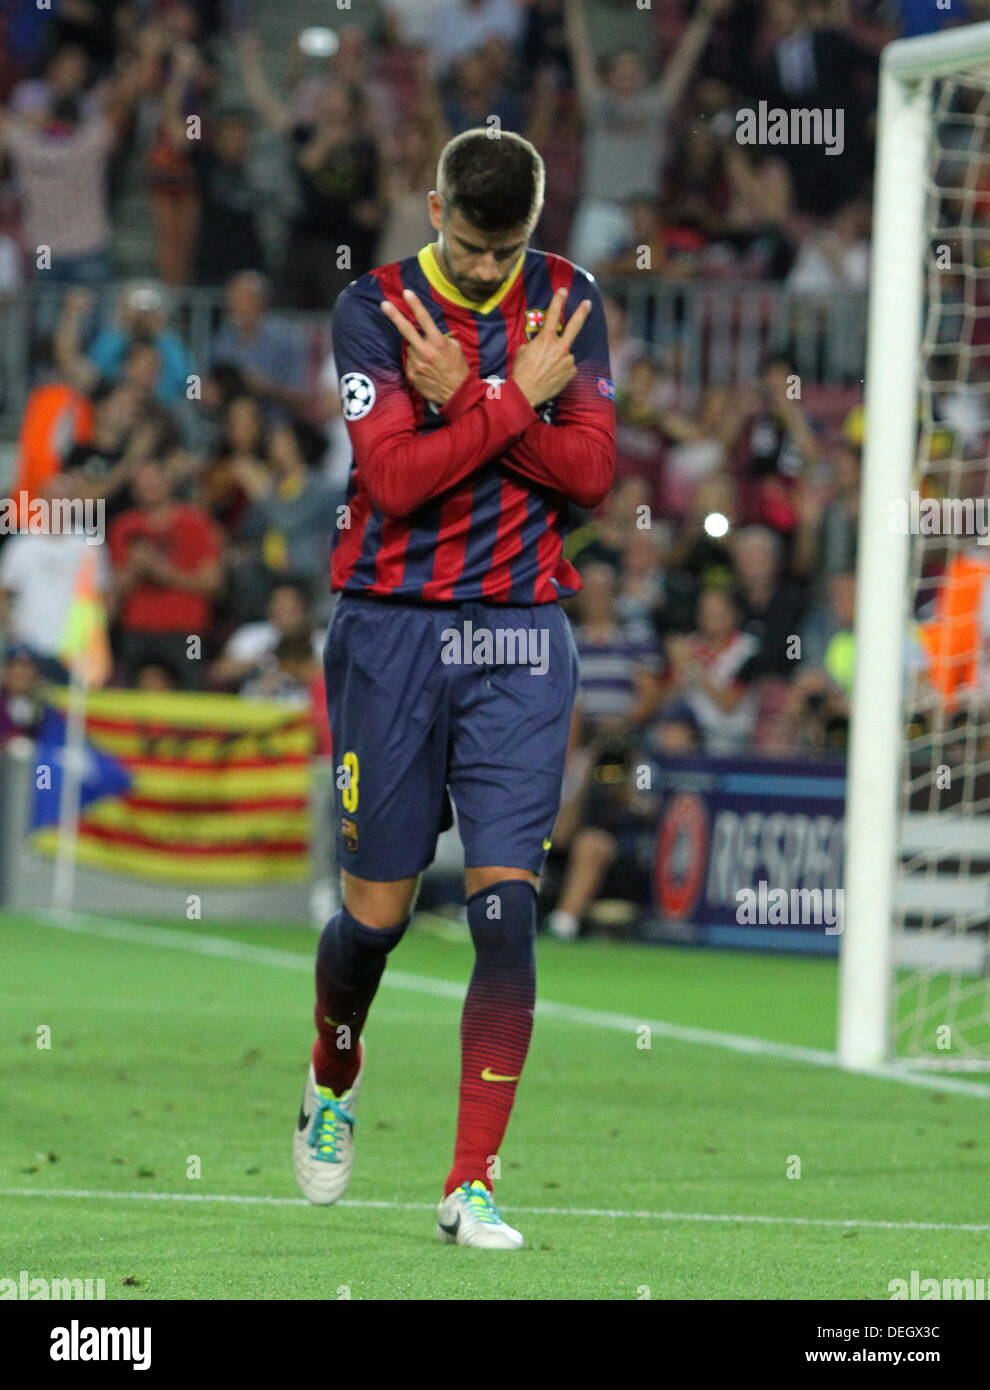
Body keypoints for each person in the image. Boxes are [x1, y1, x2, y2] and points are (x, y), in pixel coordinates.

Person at [294, 127, 615, 1249]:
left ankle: (470, 1181)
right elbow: (390, 482)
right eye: (475, 248)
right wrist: (515, 400)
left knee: (505, 909)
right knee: (374, 922)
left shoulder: (567, 299)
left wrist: (471, 401)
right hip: (392, 633)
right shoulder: (372, 311)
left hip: (524, 636)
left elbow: (593, 475)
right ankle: (335, 1067)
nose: (491, 270)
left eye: (509, 249)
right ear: (435, 210)